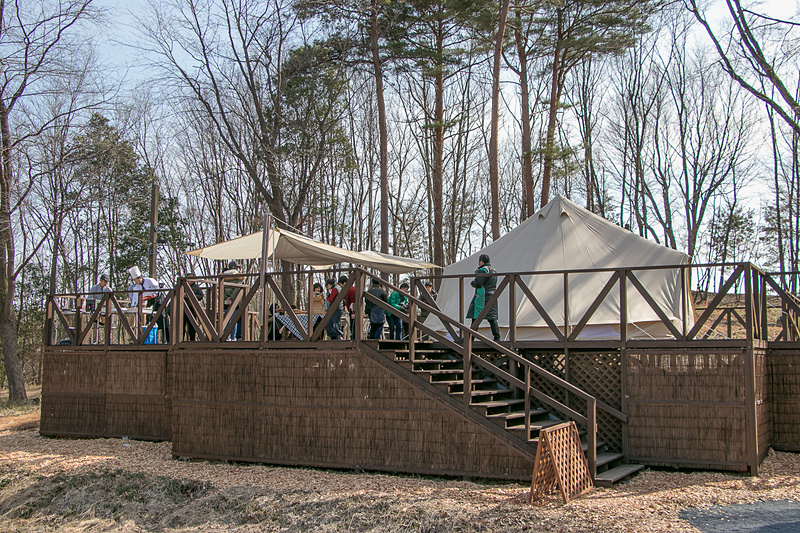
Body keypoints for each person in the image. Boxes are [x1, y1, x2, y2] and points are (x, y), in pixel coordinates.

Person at [128, 266, 168, 342]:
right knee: (149, 321)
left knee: (162, 319)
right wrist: (134, 306)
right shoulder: (137, 287)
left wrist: (154, 295)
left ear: (139, 278)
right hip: (148, 303)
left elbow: (159, 289)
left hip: (158, 300)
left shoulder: (150, 281)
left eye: (136, 280)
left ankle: (165, 339)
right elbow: (136, 299)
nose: (135, 282)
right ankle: (146, 339)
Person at [467, 253, 500, 342]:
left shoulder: (482, 270)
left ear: (481, 261)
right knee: (492, 317)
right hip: (492, 295)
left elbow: (478, 282)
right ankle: (497, 337)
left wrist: (472, 283)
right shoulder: (494, 270)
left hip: (482, 296)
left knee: (476, 316)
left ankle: (471, 337)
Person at [222, 260, 244, 341]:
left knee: (226, 319)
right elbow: (237, 288)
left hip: (224, 302)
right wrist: (231, 298)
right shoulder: (237, 277)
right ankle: (233, 337)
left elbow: (221, 289)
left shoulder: (224, 277)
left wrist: (225, 298)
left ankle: (226, 336)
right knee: (233, 319)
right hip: (235, 302)